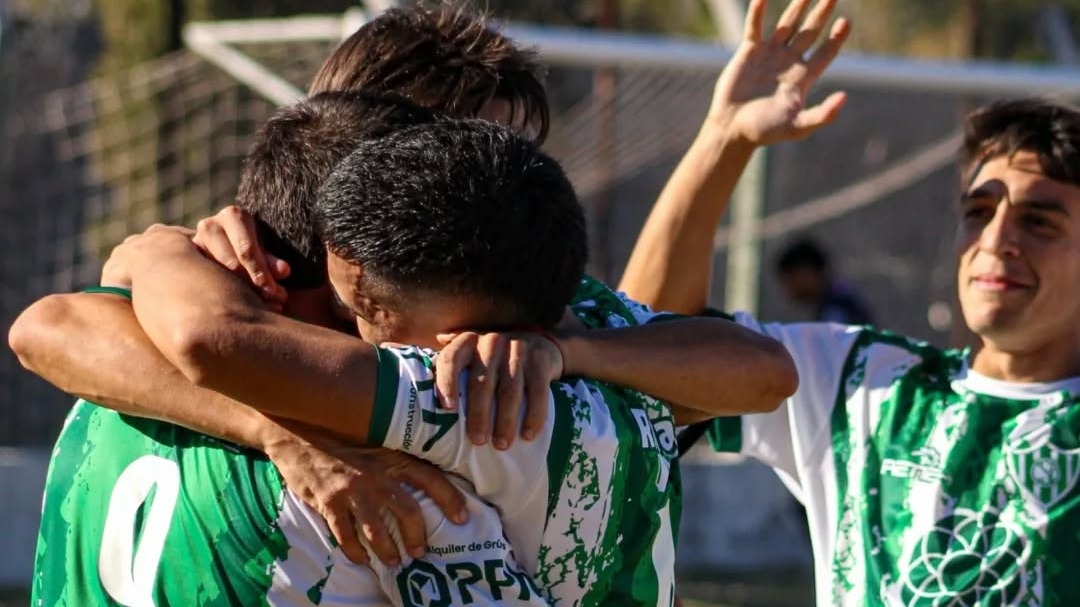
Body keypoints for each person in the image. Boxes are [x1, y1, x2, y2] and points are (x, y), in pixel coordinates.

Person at [619, 0, 1080, 603]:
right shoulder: (861, 383)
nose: (996, 241)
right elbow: (646, 344)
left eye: (1039, 223)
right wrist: (723, 140)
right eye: (978, 212)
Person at [775, 237, 875, 324]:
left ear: (806, 273)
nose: (787, 290)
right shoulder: (839, 299)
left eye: (790, 280)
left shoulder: (834, 311)